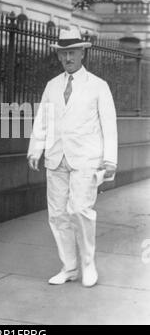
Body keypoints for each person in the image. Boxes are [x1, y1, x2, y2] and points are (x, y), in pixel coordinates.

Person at [27, 28, 118, 287]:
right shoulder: (52, 85)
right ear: (58, 56)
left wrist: (110, 159)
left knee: (81, 210)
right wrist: (36, 149)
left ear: (82, 53)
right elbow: (42, 120)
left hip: (86, 159)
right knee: (57, 214)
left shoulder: (98, 86)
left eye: (72, 52)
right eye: (63, 53)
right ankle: (69, 267)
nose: (68, 58)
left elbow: (109, 125)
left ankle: (89, 265)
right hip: (56, 157)